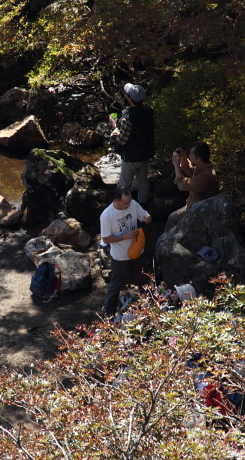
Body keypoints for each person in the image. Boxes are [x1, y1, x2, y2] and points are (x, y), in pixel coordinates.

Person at [101, 187, 152, 317]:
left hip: (137, 250)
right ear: (116, 201)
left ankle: (150, 308)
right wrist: (125, 236)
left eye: (129, 201)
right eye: (125, 203)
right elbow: (106, 238)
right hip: (119, 256)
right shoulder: (107, 215)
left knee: (144, 280)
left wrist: (147, 218)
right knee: (115, 285)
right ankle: (109, 314)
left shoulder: (133, 204)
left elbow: (145, 216)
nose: (128, 205)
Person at [109, 83, 155, 203]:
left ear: (129, 99)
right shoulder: (149, 110)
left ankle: (123, 206)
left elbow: (122, 140)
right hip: (146, 153)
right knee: (142, 182)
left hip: (131, 157)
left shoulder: (127, 119)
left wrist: (114, 127)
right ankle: (143, 205)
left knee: (124, 184)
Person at [165, 142, 220, 232]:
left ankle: (169, 243)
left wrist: (176, 167)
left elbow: (183, 186)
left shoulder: (206, 175)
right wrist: (183, 156)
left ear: (198, 159)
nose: (189, 156)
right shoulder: (201, 168)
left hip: (199, 212)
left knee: (173, 219)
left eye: (191, 154)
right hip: (192, 207)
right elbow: (187, 168)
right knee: (172, 218)